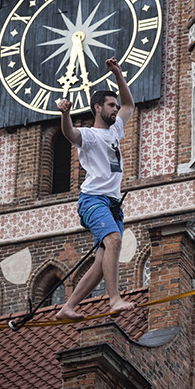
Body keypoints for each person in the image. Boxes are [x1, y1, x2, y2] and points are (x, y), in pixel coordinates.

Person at [55, 57, 136, 321]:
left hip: (113, 204)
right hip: (94, 200)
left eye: (115, 106)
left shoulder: (115, 131)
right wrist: (65, 114)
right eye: (110, 106)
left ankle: (68, 306)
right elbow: (69, 134)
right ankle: (114, 299)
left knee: (102, 263)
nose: (115, 110)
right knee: (114, 241)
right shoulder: (89, 136)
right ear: (97, 108)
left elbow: (129, 104)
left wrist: (118, 74)